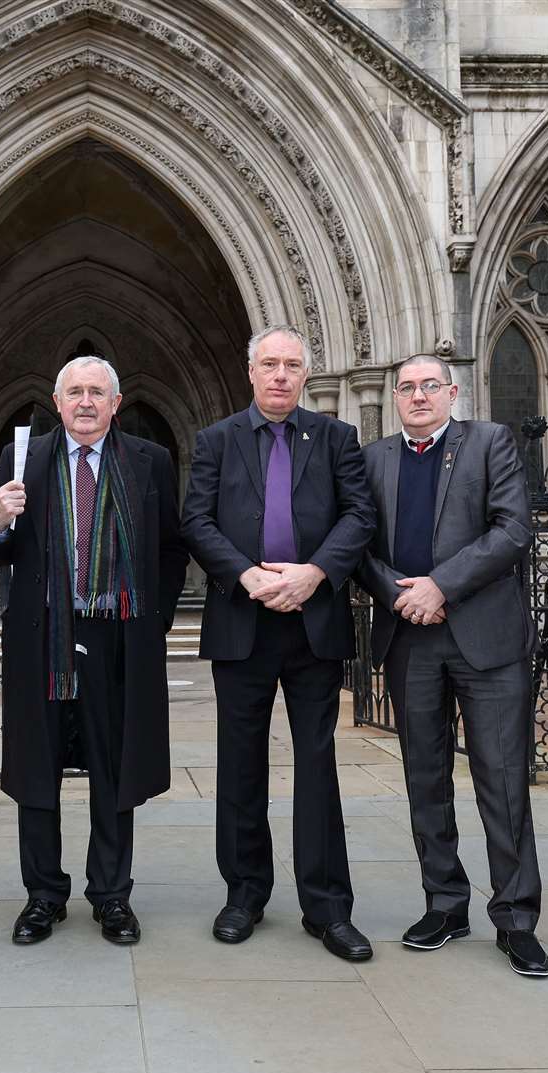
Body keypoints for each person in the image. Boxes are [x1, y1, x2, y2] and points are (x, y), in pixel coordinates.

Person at [181, 324, 378, 962]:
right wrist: (246, 576)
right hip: (243, 620)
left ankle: (327, 907)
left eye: (293, 365)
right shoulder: (216, 440)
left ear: (305, 374)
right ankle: (244, 894)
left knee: (317, 765)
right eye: (270, 364)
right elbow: (197, 520)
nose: (281, 376)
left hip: (313, 621)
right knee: (240, 764)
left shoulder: (337, 438)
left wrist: (314, 573)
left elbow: (359, 516)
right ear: (251, 371)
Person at [0, 357, 186, 946]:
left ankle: (111, 896)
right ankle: (43, 895)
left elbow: (172, 548)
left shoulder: (150, 462)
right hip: (44, 634)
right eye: (76, 393)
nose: (87, 402)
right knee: (37, 767)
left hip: (118, 636)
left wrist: (154, 621)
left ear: (116, 403)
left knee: (115, 767)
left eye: (98, 392)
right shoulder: (27, 459)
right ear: (57, 401)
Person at [355, 354, 548, 977]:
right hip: (410, 637)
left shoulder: (490, 443)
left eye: (427, 386)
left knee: (503, 783)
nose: (416, 396)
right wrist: (400, 594)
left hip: (484, 641)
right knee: (425, 781)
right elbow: (357, 542)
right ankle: (445, 904)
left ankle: (516, 918)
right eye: (406, 387)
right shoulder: (374, 458)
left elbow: (513, 529)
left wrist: (440, 586)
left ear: (451, 392)